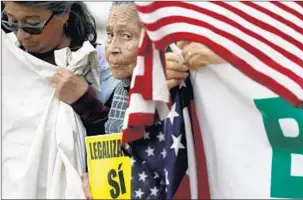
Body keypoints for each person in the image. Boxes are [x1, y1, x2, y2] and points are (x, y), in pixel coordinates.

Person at [81, 1, 189, 199]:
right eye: (111, 35)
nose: (112, 49)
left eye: (126, 36)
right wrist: (95, 179)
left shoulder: (178, 87)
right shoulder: (123, 86)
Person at [1, 1, 119, 136]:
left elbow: (129, 148)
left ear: (65, 13)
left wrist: (86, 104)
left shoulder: (108, 71)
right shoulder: (7, 60)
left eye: (33, 24)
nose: (21, 35)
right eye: (12, 21)